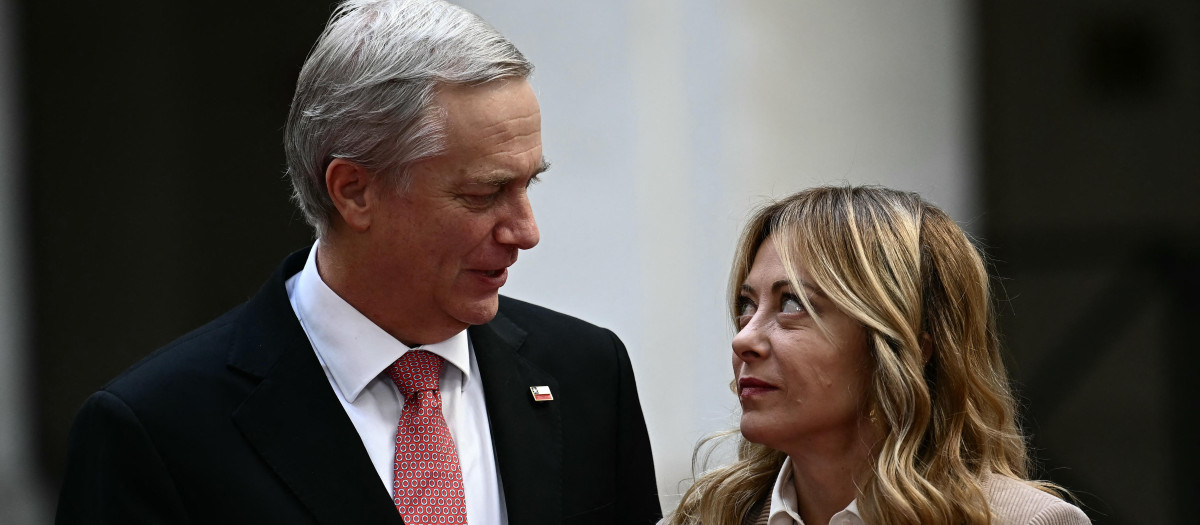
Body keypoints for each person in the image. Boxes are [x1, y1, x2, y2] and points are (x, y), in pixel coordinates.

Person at [55, 1, 660, 523]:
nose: (526, 232)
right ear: (353, 191)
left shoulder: (586, 375)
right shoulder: (156, 432)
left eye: (530, 185)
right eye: (483, 193)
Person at [663, 186, 1089, 525]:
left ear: (908, 346)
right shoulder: (702, 518)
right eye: (746, 305)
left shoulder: (1028, 521)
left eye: (794, 305)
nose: (744, 339)